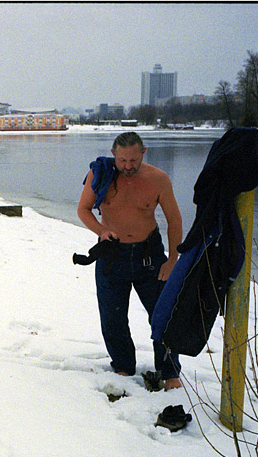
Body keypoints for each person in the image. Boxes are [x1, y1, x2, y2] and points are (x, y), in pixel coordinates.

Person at [77, 132, 183, 390]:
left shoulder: (158, 178)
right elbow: (83, 210)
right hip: (113, 254)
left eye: (133, 160)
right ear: (114, 154)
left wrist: (172, 260)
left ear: (143, 152)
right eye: (123, 160)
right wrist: (101, 231)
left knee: (163, 315)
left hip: (150, 254)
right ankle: (123, 366)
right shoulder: (100, 174)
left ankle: (169, 371)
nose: (127, 166)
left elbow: (174, 220)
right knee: (112, 317)